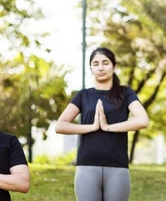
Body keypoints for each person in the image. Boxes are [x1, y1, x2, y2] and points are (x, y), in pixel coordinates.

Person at [55, 47, 149, 201]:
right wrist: (92, 127)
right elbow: (60, 125)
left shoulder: (126, 93)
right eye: (96, 63)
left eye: (105, 63)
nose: (100, 67)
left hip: (118, 166)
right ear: (90, 68)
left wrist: (108, 127)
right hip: (87, 166)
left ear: (114, 66)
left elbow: (142, 120)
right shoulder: (83, 95)